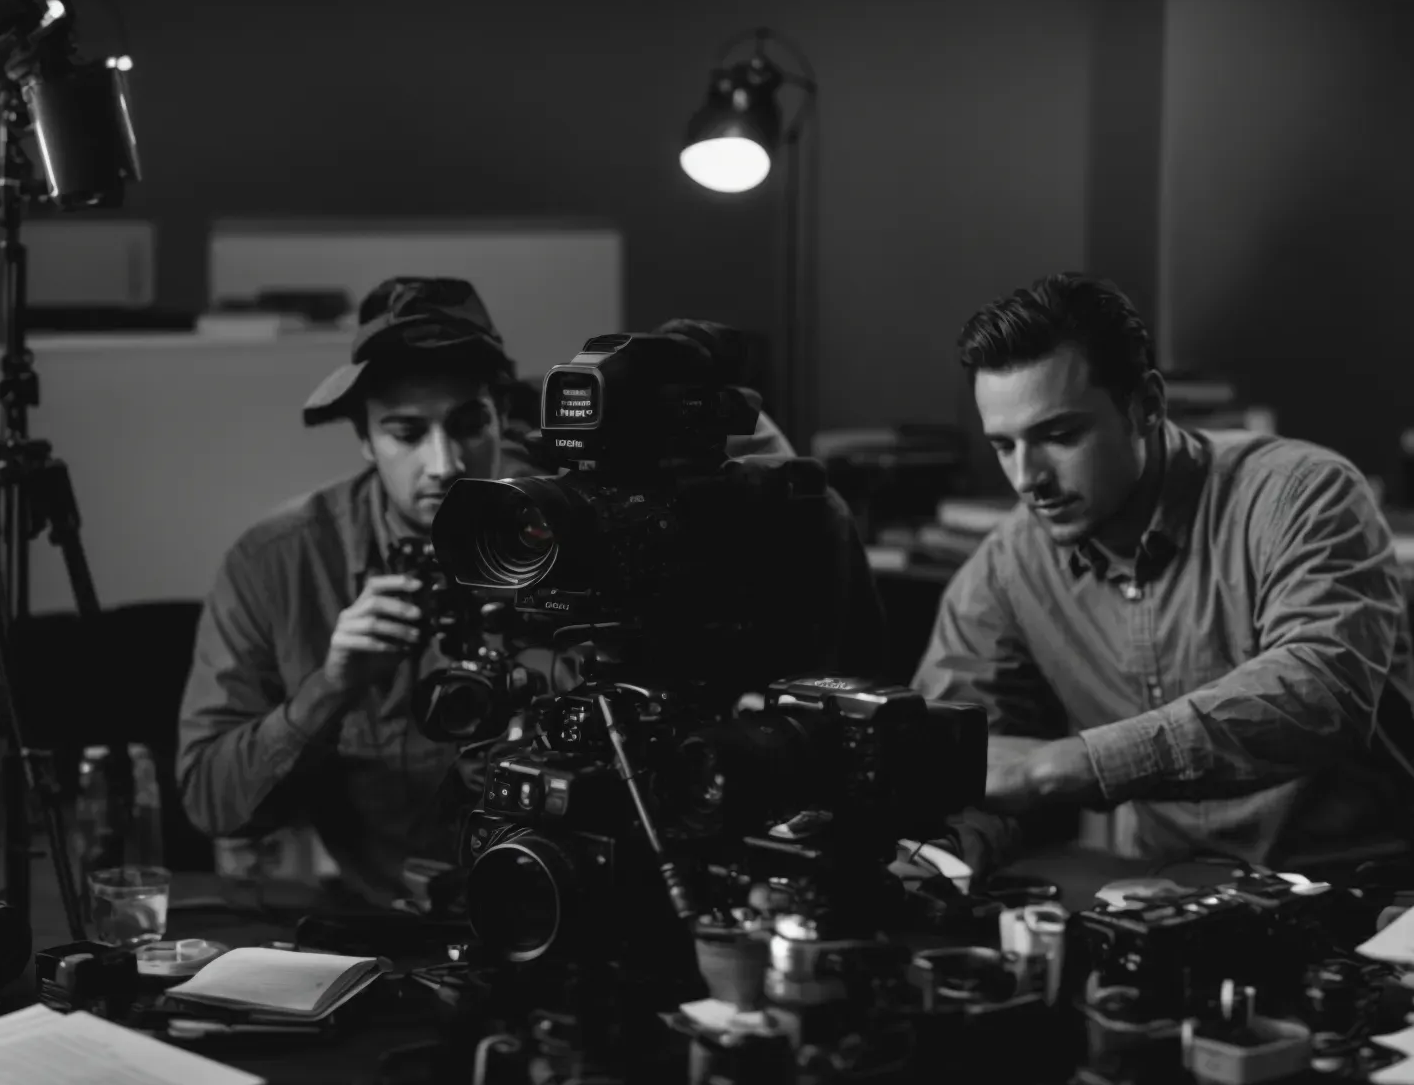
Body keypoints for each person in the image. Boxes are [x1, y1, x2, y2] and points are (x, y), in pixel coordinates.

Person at [177, 279, 885, 906]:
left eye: (467, 425)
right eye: (406, 433)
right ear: (363, 437)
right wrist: (329, 688)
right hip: (404, 925)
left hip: (639, 896)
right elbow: (211, 801)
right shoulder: (282, 562)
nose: (443, 464)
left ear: (502, 415)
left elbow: (800, 512)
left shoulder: (594, 517)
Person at [915, 272, 1414, 880]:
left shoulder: (1303, 494)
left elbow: (1319, 692)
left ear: (1146, 406)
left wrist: (1071, 764)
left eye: (1058, 436)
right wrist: (937, 857)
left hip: (1359, 900)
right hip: (1168, 902)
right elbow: (955, 752)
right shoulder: (1010, 563)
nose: (1027, 478)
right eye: (1004, 446)